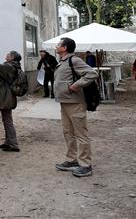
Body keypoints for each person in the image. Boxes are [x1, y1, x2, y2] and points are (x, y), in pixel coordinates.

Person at [53, 37, 98, 178]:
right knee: (68, 133)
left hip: (75, 103)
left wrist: (76, 85)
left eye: (59, 44)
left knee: (81, 134)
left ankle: (85, 165)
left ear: (65, 48)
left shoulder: (74, 60)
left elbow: (92, 73)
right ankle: (72, 160)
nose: (56, 46)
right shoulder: (62, 61)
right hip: (65, 102)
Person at [0, 49, 23, 152]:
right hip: (7, 96)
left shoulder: (9, 66)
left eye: (9, 54)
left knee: (8, 120)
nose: (6, 54)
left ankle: (13, 144)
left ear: (12, 58)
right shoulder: (11, 66)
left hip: (6, 96)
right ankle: (8, 142)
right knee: (6, 119)